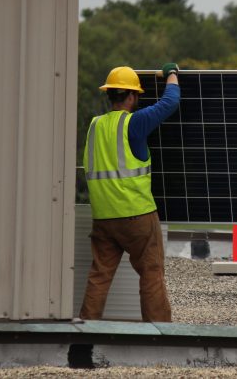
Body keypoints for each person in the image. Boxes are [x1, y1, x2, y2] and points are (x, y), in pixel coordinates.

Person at [77, 63, 180, 324]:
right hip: (137, 216)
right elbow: (170, 102)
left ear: (110, 94)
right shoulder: (134, 123)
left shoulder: (95, 126)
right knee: (151, 273)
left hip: (103, 218)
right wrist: (172, 74)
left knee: (99, 276)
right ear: (132, 96)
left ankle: (84, 332)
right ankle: (159, 333)